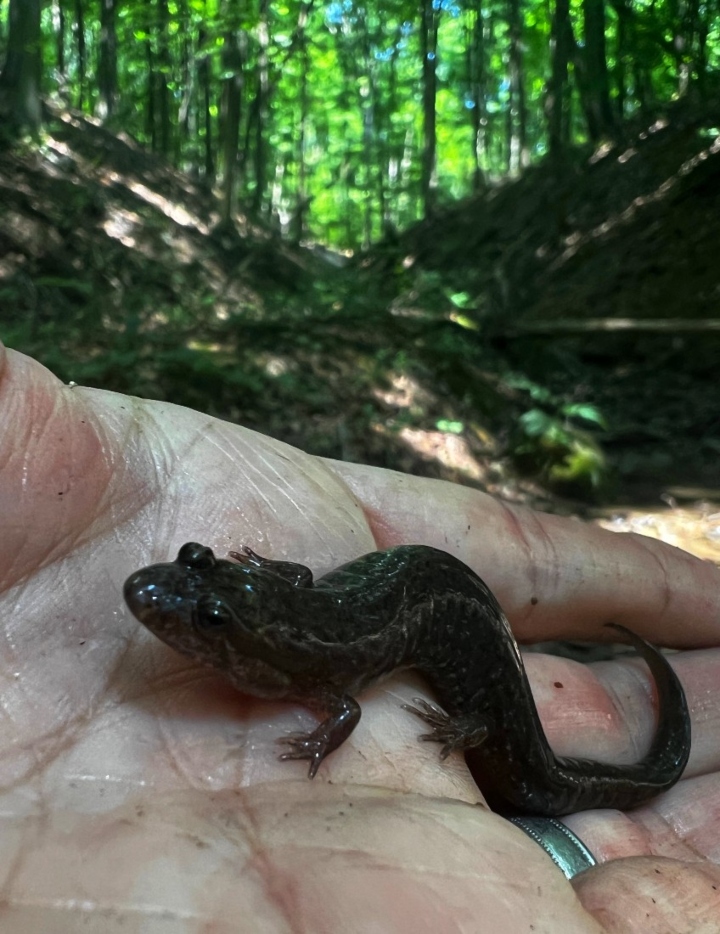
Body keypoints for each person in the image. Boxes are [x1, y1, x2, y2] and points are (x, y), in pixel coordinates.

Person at [1, 338, 718, 932]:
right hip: (428, 587)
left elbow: (341, 708)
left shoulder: (312, 668)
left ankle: (528, 735)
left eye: (209, 614)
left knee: (536, 769)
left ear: (255, 648)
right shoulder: (292, 625)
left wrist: (334, 740)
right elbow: (303, 599)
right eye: (202, 591)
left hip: (453, 620)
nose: (156, 592)